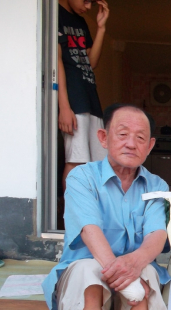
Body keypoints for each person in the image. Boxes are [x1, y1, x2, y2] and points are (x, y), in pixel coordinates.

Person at [42, 104, 169, 310]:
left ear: (150, 146)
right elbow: (90, 230)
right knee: (88, 274)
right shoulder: (82, 177)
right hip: (92, 272)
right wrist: (119, 271)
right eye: (122, 134)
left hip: (132, 271)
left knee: (145, 276)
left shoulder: (156, 185)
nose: (131, 143)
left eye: (140, 137)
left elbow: (157, 236)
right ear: (103, 137)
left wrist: (135, 263)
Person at [58, 0, 110, 192]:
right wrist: (64, 106)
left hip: (90, 99)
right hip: (74, 101)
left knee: (98, 162)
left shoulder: (80, 21)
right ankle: (70, 210)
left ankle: (90, 208)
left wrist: (101, 28)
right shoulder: (55, 15)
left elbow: (92, 61)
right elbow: (56, 62)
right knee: (76, 160)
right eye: (86, 1)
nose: (88, 7)